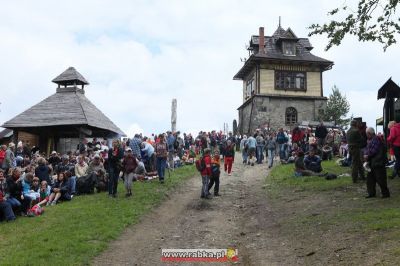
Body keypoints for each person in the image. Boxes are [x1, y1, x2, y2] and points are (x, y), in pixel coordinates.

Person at [364, 127, 390, 198]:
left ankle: (385, 194)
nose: (366, 135)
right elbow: (367, 149)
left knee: (380, 179)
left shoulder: (376, 139)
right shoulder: (371, 140)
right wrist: (366, 154)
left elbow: (373, 151)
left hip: (378, 162)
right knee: (370, 180)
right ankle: (371, 193)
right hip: (373, 162)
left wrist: (367, 155)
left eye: (367, 133)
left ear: (369, 133)